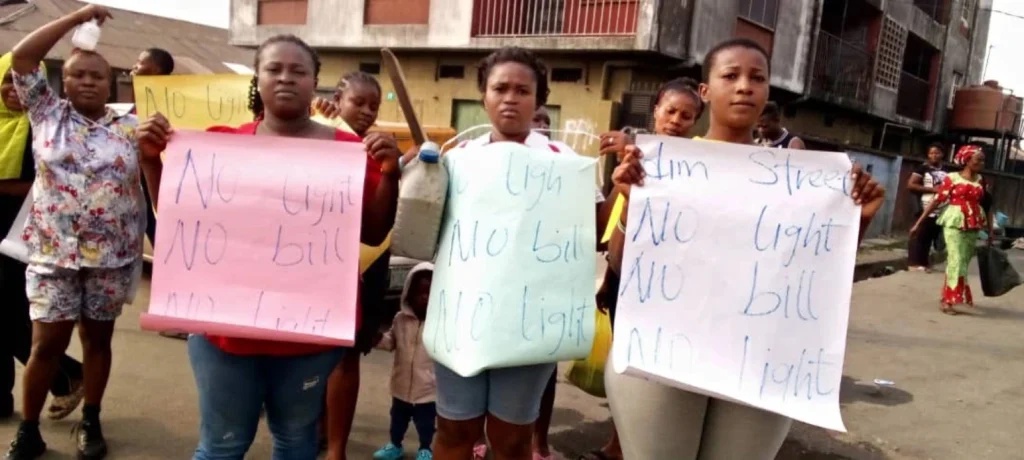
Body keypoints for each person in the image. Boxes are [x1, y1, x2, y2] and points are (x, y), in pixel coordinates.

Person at [605, 38, 885, 460]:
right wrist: (630, 200)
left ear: (769, 92)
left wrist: (857, 220)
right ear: (705, 91)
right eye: (730, 75)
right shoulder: (660, 166)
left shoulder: (800, 183)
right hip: (663, 354)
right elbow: (620, 264)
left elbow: (815, 276)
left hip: (759, 361)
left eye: (757, 78)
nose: (744, 87)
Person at [134, 34, 401, 459]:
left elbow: (372, 233)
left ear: (316, 83)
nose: (285, 79)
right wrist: (150, 159)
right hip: (225, 335)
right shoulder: (220, 145)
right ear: (256, 79)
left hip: (310, 338)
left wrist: (389, 175)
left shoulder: (348, 153)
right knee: (222, 445)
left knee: (296, 441)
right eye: (273, 69)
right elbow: (177, 221)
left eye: (299, 71)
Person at [431, 46, 612, 460]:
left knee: (512, 439)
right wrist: (415, 176)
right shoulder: (457, 159)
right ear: (484, 95)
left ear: (539, 99)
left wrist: (622, 185)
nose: (510, 98)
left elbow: (594, 235)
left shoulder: (564, 162)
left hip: (529, 323)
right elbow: (425, 232)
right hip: (463, 316)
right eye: (500, 88)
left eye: (522, 90)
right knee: (455, 429)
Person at [5, 5, 146, 460]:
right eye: (78, 74)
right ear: (63, 82)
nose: (88, 81)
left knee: (98, 340)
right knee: (45, 343)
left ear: (111, 84)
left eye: (97, 76)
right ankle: (29, 429)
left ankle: (91, 419)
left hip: (111, 258)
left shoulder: (131, 127)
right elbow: (22, 59)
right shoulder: (47, 114)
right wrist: (76, 18)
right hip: (51, 256)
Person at [573, 76, 706, 460]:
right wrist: (606, 279)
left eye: (686, 115)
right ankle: (621, 441)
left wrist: (634, 148)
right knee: (626, 364)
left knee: (649, 367)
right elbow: (607, 223)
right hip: (623, 275)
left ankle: (626, 445)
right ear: (656, 112)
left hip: (663, 283)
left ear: (695, 121)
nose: (676, 120)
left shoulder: (698, 162)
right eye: (670, 111)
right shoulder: (636, 159)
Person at [312, 71, 395, 460]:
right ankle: (313, 426)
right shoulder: (317, 131)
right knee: (310, 351)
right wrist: (323, 119)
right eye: (356, 102)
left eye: (373, 106)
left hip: (365, 261)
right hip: (314, 261)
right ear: (336, 100)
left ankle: (335, 445)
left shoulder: (377, 149)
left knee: (346, 354)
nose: (365, 111)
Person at [0, 53, 87, 424]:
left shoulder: (47, 128)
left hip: (25, 234)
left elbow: (53, 181)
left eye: (18, 82)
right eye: (5, 82)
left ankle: (67, 374)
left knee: (8, 313)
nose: (12, 91)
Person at [128, 47, 185, 341]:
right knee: (159, 253)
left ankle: (180, 315)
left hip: (165, 190)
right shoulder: (129, 111)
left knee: (171, 251)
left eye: (144, 68)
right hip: (136, 193)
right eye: (136, 66)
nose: (135, 70)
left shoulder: (174, 111)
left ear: (163, 76)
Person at [911, 145, 991, 315]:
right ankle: (948, 301)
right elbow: (936, 200)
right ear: (967, 160)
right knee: (955, 258)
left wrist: (990, 231)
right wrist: (918, 223)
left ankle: (949, 295)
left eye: (983, 160)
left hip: (974, 223)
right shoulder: (952, 178)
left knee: (963, 261)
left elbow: (988, 206)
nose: (981, 163)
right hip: (954, 221)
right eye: (978, 160)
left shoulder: (981, 181)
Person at [373, 263, 436, 460]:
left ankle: (425, 448)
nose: (424, 297)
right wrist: (376, 339)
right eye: (419, 292)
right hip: (400, 387)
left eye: (429, 292)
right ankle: (395, 445)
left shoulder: (439, 322)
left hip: (428, 390)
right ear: (408, 293)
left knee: (426, 423)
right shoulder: (400, 319)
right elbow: (390, 341)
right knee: (397, 419)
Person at [907, 142, 949, 271]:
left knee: (930, 236)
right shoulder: (922, 169)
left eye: (937, 153)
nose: (934, 156)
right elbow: (911, 185)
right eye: (931, 153)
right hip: (924, 207)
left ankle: (924, 263)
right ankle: (914, 263)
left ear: (942, 154)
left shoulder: (947, 170)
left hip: (941, 209)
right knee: (920, 235)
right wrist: (932, 190)